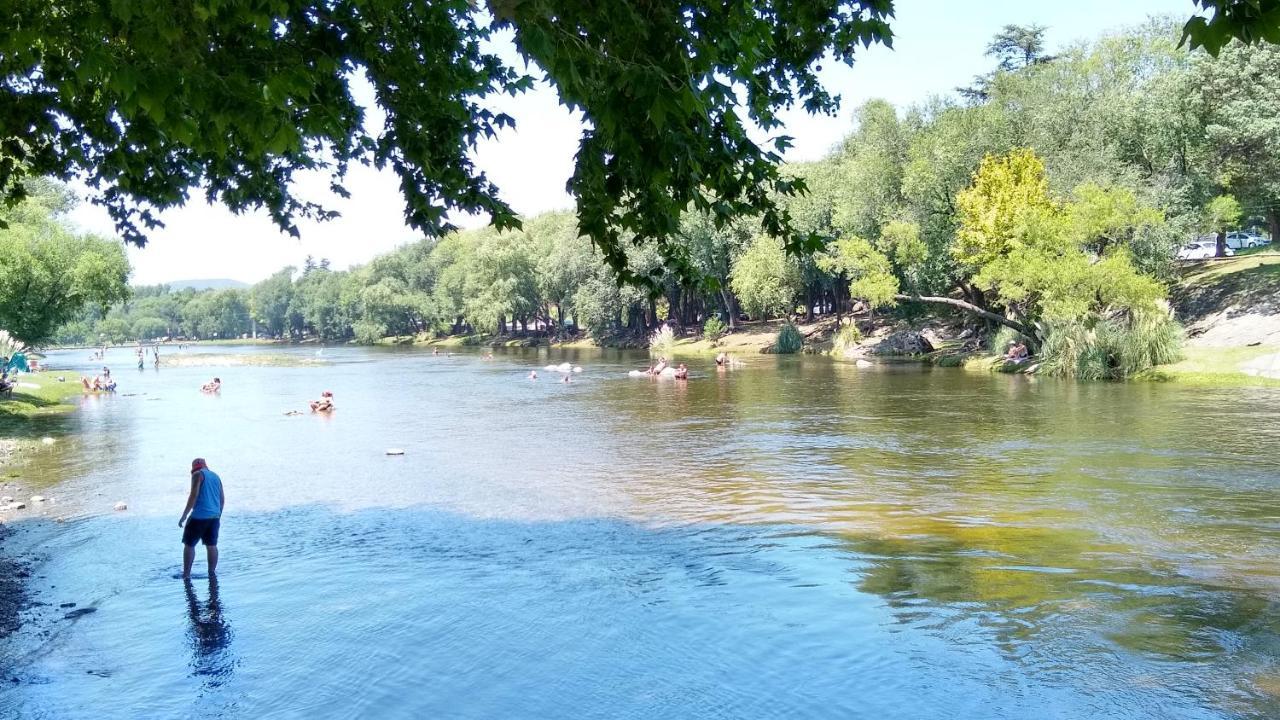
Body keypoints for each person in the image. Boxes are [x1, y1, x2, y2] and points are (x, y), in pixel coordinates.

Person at [179, 457, 225, 580]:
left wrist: (184, 516)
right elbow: (222, 498)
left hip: (199, 517)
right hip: (214, 517)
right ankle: (211, 573)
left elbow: (193, 496)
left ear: (195, 468)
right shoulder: (216, 476)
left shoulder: (197, 475)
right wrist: (218, 514)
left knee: (189, 544)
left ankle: (186, 574)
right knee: (212, 545)